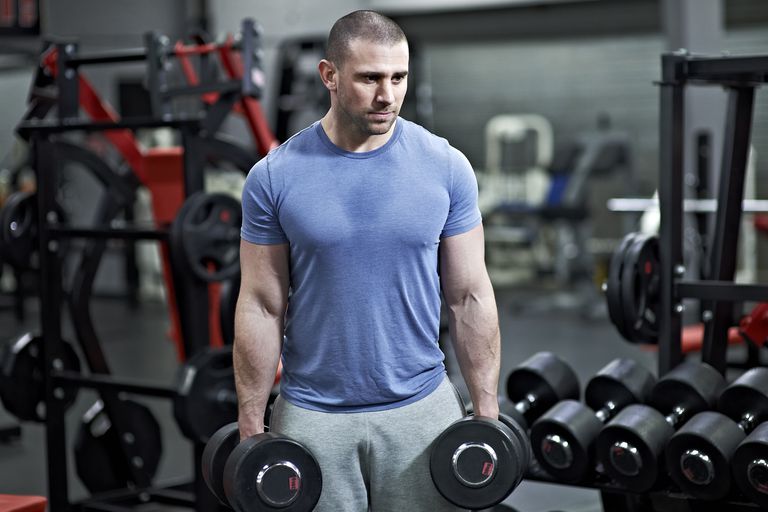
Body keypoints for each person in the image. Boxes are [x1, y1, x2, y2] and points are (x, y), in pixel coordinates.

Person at [234, 9, 500, 511]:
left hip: (422, 408)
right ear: (329, 76)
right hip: (313, 415)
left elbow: (469, 296)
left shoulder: (445, 166)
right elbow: (261, 305)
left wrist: (486, 411)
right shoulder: (274, 177)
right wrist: (252, 420)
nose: (388, 95)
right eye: (370, 78)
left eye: (399, 77)